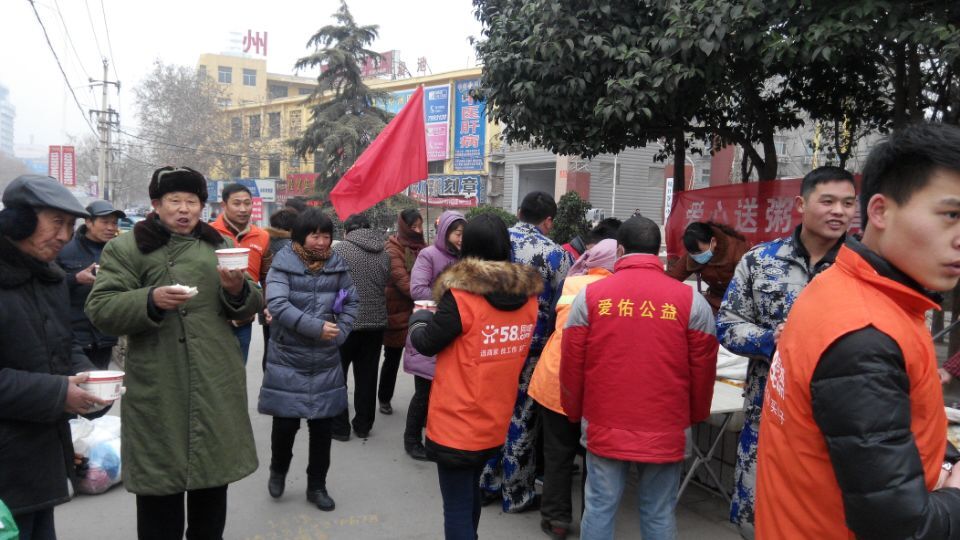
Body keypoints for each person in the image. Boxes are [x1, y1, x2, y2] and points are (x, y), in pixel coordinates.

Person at [755, 123, 960, 538]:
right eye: (951, 215)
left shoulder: (841, 287)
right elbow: (901, 528)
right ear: (880, 211)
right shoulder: (865, 334)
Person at [85, 166, 262, 540]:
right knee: (159, 488)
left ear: (202, 205)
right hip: (159, 380)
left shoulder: (219, 245)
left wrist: (236, 289)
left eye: (192, 201)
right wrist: (150, 299)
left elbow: (250, 304)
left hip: (215, 377)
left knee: (211, 485)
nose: (184, 209)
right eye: (174, 201)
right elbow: (101, 308)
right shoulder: (127, 248)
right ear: (156, 204)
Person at [716, 165, 857, 539]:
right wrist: (770, 339)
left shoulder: (862, 267)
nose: (839, 211)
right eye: (828, 201)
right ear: (801, 204)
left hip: (838, 424)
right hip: (768, 417)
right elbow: (727, 324)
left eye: (847, 203)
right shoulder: (760, 261)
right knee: (757, 521)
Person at [561, 216, 718, 540]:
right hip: (666, 425)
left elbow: (572, 365)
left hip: (604, 422)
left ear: (620, 250)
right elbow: (704, 370)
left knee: (599, 507)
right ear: (657, 251)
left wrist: (574, 413)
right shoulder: (692, 301)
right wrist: (693, 416)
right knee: (658, 511)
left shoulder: (589, 298)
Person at [407, 213, 542, 540]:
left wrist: (419, 319)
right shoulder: (529, 300)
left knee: (456, 506)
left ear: (467, 248)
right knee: (469, 495)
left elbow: (426, 343)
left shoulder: (461, 297)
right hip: (494, 419)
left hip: (456, 421)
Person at [0, 175, 113, 540]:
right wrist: (58, 393)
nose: (64, 236)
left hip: (40, 459)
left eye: (70, 226)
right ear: (18, 222)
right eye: (56, 223)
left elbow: (64, 346)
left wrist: (91, 381)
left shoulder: (49, 278)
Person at [258, 208, 359, 511]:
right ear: (301, 236)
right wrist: (316, 328)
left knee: (322, 430)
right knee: (285, 424)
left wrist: (340, 333)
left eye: (326, 236)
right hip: (288, 357)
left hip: (325, 360)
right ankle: (278, 470)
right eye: (315, 235)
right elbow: (277, 303)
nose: (321, 242)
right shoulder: (283, 264)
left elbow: (351, 301)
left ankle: (317, 486)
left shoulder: (337, 265)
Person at [481, 191, 573, 512]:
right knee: (522, 418)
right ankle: (516, 492)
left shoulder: (495, 241)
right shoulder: (556, 254)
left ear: (519, 212)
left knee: (492, 411)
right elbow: (563, 304)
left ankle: (486, 482)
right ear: (548, 221)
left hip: (492, 341)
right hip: (532, 349)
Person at [528, 238, 618, 540]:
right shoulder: (621, 292)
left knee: (558, 454)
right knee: (596, 459)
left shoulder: (571, 283)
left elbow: (556, 325)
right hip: (597, 385)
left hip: (556, 379)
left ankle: (556, 520)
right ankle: (593, 522)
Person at [402, 210, 465, 461]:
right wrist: (454, 297)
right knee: (424, 392)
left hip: (453, 332)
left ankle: (437, 437)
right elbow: (417, 289)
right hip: (429, 329)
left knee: (445, 393)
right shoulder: (428, 255)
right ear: (445, 232)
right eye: (457, 233)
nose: (461, 238)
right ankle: (411, 440)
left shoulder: (465, 258)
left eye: (464, 234)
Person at [331, 214, 390, 440]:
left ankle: (339, 428)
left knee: (338, 376)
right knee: (367, 376)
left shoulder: (339, 250)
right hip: (375, 323)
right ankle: (363, 425)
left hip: (345, 323)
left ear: (347, 231)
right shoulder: (383, 252)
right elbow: (386, 282)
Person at [56, 200, 125, 369]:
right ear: (88, 222)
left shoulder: (119, 251)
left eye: (114, 223)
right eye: (105, 222)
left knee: (100, 380)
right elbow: (48, 286)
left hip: (105, 334)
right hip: (73, 335)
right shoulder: (64, 248)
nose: (111, 228)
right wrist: (75, 279)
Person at [211, 183, 272, 364]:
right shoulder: (209, 233)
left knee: (238, 369)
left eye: (247, 203)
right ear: (224, 205)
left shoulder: (262, 236)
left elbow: (267, 276)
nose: (243, 209)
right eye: (237, 203)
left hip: (243, 319)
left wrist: (269, 304)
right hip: (213, 317)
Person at [379, 209, 426, 417]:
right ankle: (384, 398)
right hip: (397, 312)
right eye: (414, 227)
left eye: (420, 226)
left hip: (419, 312)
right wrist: (428, 293)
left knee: (422, 361)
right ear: (404, 227)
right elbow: (404, 283)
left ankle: (422, 402)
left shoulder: (423, 248)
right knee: (392, 358)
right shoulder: (392, 249)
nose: (418, 231)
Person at [666, 221, 750, 313]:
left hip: (741, 302)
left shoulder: (737, 251)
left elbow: (749, 287)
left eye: (700, 252)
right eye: (693, 254)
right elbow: (672, 277)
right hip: (713, 300)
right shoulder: (694, 253)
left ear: (713, 242)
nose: (696, 256)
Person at [260, 207, 300, 371]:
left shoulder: (264, 243)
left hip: (266, 303)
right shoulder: (294, 247)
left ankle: (268, 380)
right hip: (289, 304)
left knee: (269, 346)